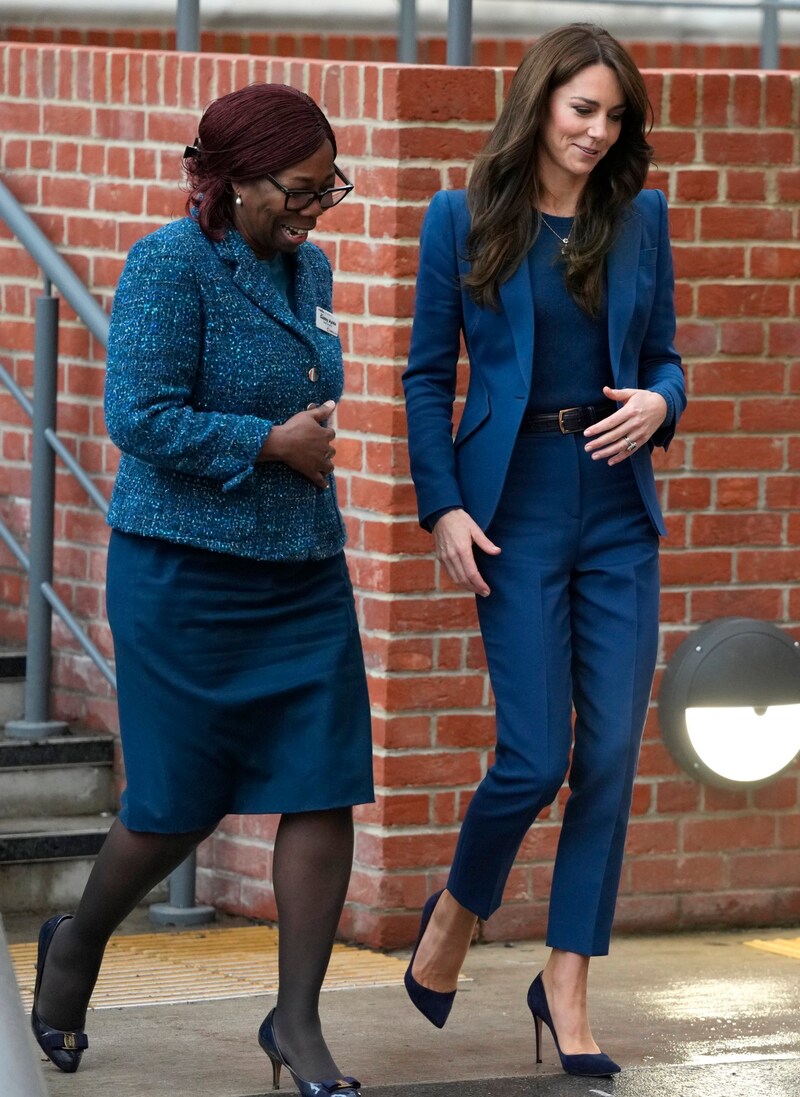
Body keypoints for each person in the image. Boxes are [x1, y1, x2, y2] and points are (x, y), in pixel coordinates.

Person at [30, 83, 371, 1097]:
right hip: (182, 573)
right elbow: (137, 414)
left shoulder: (308, 266)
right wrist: (268, 442)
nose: (316, 208)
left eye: (327, 187)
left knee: (321, 783)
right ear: (231, 179)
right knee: (175, 805)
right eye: (300, 189)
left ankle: (296, 1021)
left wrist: (301, 438)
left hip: (302, 571)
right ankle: (77, 942)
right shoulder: (167, 264)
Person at [401, 23, 686, 1078]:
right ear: (539, 104)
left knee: (607, 753)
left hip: (614, 508)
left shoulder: (638, 217)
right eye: (581, 110)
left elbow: (664, 355)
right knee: (532, 754)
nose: (596, 132)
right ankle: (456, 913)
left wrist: (661, 401)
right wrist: (440, 508)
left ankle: (565, 979)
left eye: (612, 117)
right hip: (509, 503)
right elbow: (428, 375)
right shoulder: (460, 214)